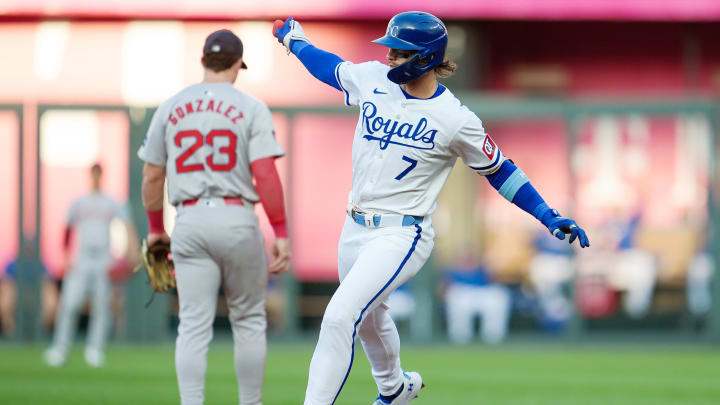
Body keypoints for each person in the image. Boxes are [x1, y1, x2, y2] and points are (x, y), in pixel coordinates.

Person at [273, 11, 590, 405]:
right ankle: (395, 388)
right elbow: (329, 67)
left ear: (425, 57)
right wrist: (294, 41)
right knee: (370, 317)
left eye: (399, 52)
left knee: (340, 317)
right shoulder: (372, 78)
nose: (389, 57)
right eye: (389, 50)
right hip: (353, 227)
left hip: (401, 233)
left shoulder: (455, 119)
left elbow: (500, 170)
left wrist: (546, 214)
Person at [137, 29, 291, 405]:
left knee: (192, 327)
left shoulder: (171, 106)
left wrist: (157, 230)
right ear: (238, 65)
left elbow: (153, 176)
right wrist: (281, 231)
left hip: (189, 219)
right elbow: (266, 173)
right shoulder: (251, 106)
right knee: (250, 321)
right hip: (236, 216)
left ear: (204, 60)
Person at [44, 163, 138, 367]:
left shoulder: (110, 202)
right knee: (70, 304)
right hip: (82, 258)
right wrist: (66, 255)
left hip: (103, 259)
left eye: (99, 173)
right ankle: (60, 348)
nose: (96, 177)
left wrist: (131, 250)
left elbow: (127, 224)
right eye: (94, 173)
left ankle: (94, 349)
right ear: (90, 175)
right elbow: (67, 229)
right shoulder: (80, 202)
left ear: (101, 175)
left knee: (102, 307)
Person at [442, 250, 511, 345]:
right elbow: (442, 289)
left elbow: (495, 281)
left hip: (482, 294)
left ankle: (493, 337)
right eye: (465, 257)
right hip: (462, 295)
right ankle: (460, 337)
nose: (468, 259)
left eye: (471, 257)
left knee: (498, 296)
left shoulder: (483, 270)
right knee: (456, 296)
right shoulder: (453, 272)